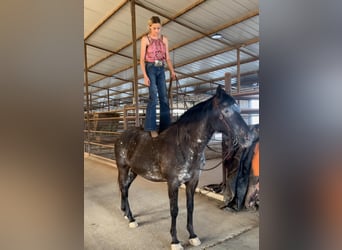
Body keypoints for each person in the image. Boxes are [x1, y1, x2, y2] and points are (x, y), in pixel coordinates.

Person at [140, 16, 176, 138]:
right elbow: (141, 60)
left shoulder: (164, 39)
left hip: (161, 68)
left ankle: (165, 126)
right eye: (154, 28)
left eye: (159, 28)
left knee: (164, 97)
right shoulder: (145, 39)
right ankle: (151, 128)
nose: (157, 30)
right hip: (150, 67)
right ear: (149, 27)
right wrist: (145, 76)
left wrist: (172, 71)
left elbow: (168, 58)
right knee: (153, 97)